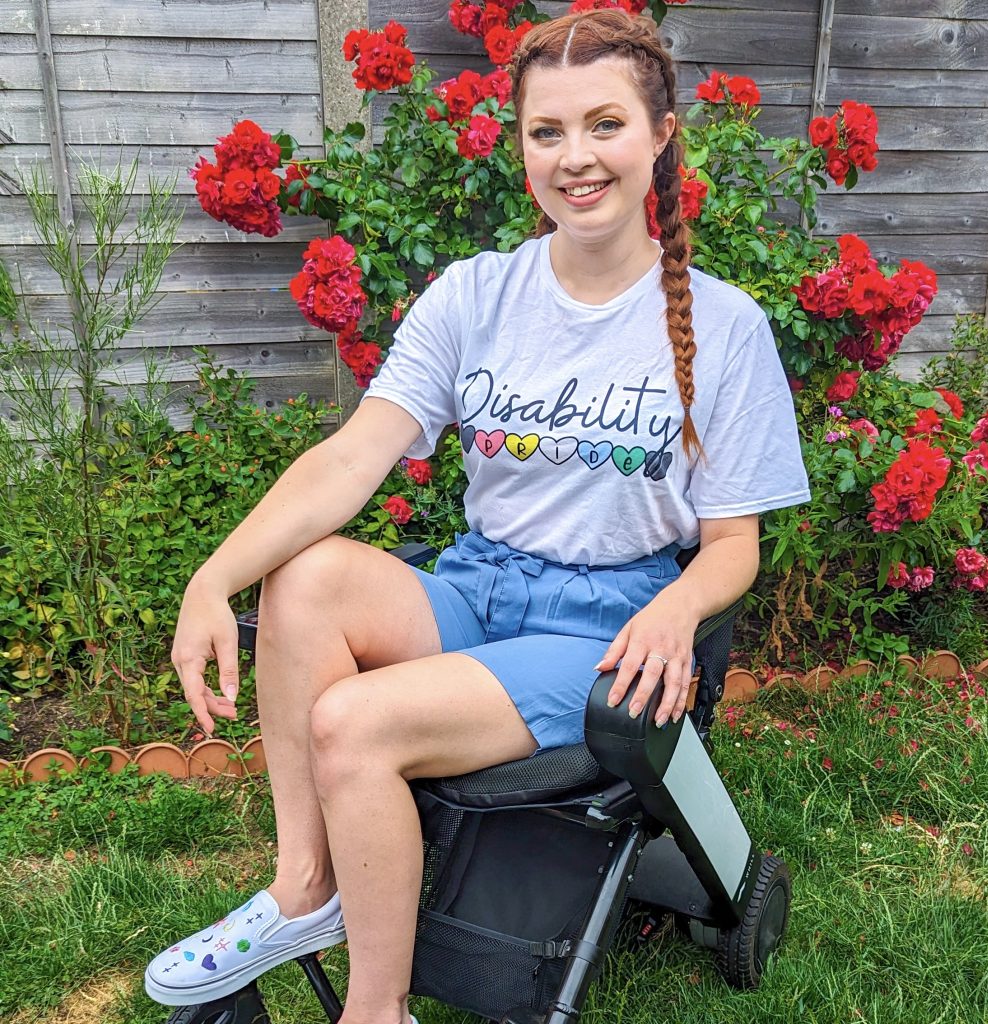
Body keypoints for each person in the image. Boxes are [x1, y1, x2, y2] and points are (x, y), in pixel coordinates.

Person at [145, 8, 810, 1024]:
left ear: (660, 134)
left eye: (604, 125)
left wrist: (678, 612)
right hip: (481, 585)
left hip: (602, 634)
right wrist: (211, 576)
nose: (574, 157)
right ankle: (304, 887)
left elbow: (731, 549)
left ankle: (376, 1009)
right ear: (520, 146)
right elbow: (352, 454)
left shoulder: (724, 328)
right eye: (546, 132)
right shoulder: (475, 295)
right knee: (303, 576)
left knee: (350, 724)